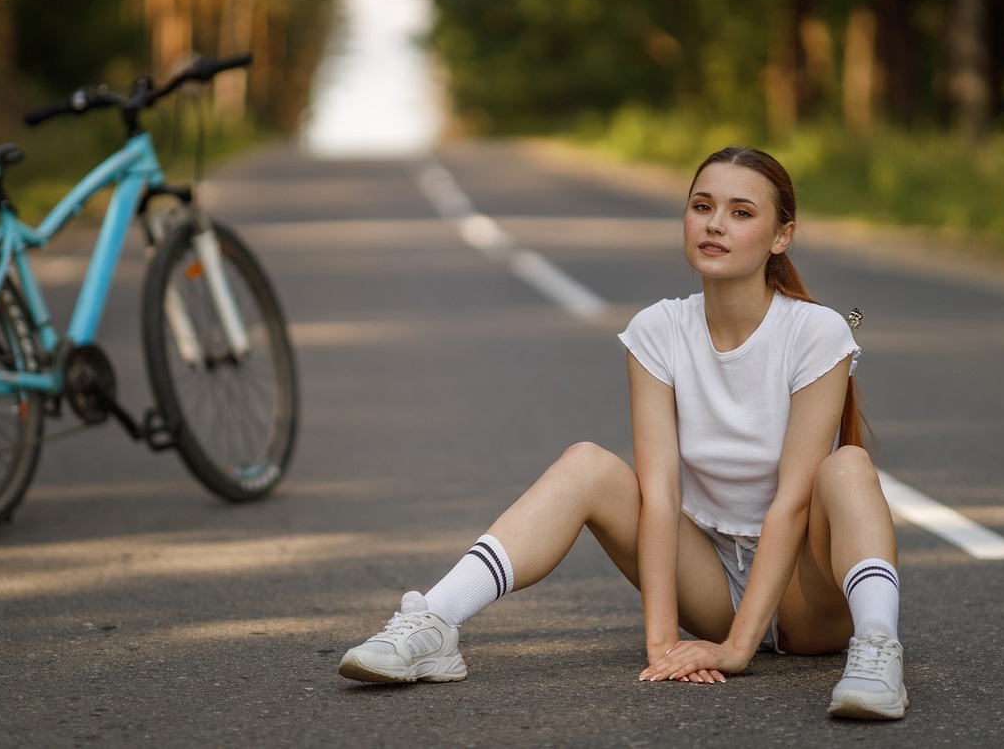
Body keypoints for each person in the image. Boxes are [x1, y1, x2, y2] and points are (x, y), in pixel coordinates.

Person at [337, 146, 907, 720]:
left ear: (781, 236)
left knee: (847, 467)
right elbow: (659, 493)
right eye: (701, 206)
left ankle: (878, 650)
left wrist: (736, 650)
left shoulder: (816, 332)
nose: (714, 224)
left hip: (806, 596)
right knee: (586, 463)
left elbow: (792, 502)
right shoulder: (658, 330)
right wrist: (662, 640)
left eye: (741, 213)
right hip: (711, 579)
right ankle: (433, 623)